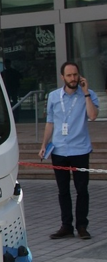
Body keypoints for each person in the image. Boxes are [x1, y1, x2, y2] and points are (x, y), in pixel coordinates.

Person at [38, 61, 99, 239]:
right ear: (62, 77)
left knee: (82, 190)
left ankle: (82, 225)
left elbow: (93, 116)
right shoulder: (53, 96)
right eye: (69, 75)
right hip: (59, 150)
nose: (73, 78)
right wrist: (44, 145)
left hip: (80, 150)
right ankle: (66, 226)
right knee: (63, 190)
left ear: (79, 76)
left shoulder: (89, 95)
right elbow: (50, 122)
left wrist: (86, 93)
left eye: (75, 75)